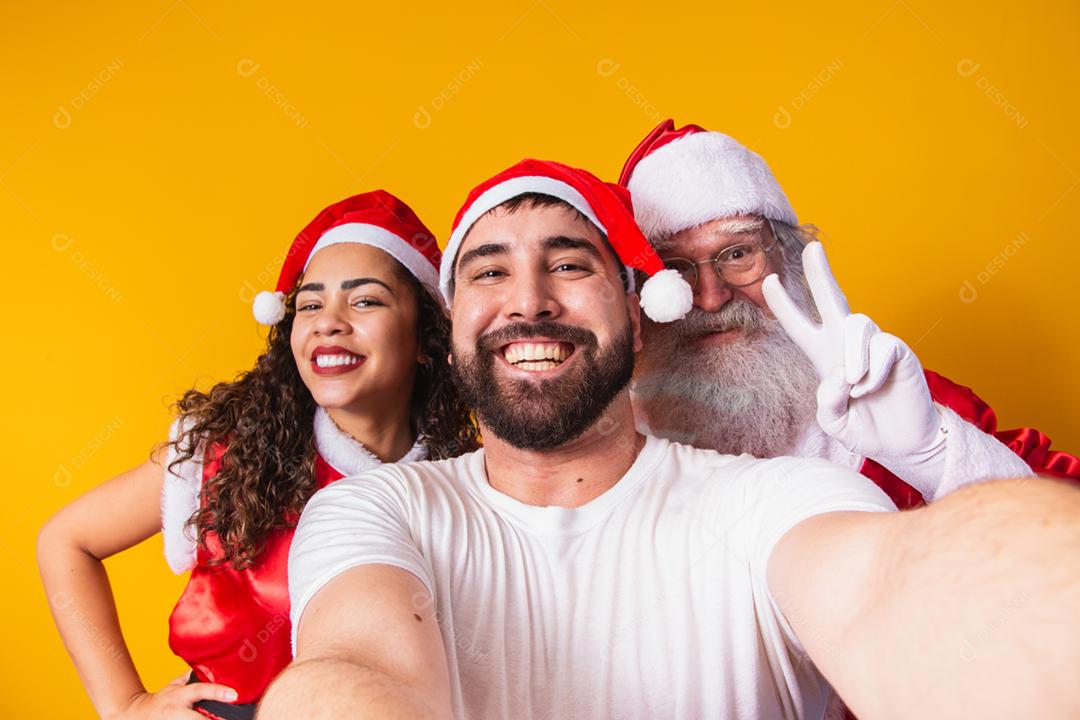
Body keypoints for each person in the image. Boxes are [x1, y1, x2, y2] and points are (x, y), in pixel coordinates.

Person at [258, 160, 1080, 720]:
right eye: (490, 271)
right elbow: (353, 673)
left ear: (643, 318)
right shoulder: (374, 511)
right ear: (451, 334)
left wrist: (934, 450)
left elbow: (909, 596)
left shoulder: (776, 499)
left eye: (570, 265)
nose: (530, 301)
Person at [37, 191, 479, 720]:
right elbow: (66, 542)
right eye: (310, 305)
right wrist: (125, 704)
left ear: (425, 337)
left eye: (365, 301)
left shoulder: (469, 481)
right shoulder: (227, 448)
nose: (328, 322)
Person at [619, 119, 1079, 510]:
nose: (711, 298)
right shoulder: (607, 437)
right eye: (672, 269)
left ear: (793, 260)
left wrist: (931, 455)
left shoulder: (898, 401)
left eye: (738, 253)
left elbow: (1060, 535)